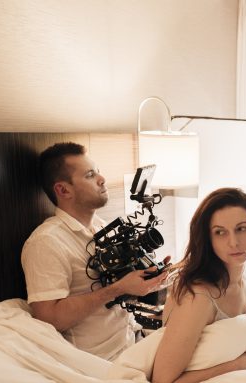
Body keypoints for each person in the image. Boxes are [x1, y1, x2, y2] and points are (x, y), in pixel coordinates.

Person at [21, 142, 170, 361]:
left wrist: (149, 279)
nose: (102, 179)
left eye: (98, 172)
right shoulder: (46, 242)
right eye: (90, 175)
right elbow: (48, 319)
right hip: (100, 360)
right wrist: (117, 289)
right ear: (63, 190)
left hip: (133, 341)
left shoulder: (102, 227)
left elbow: (120, 291)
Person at [152, 188, 246, 383]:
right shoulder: (199, 297)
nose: (234, 242)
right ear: (207, 239)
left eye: (242, 228)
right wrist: (237, 365)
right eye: (220, 232)